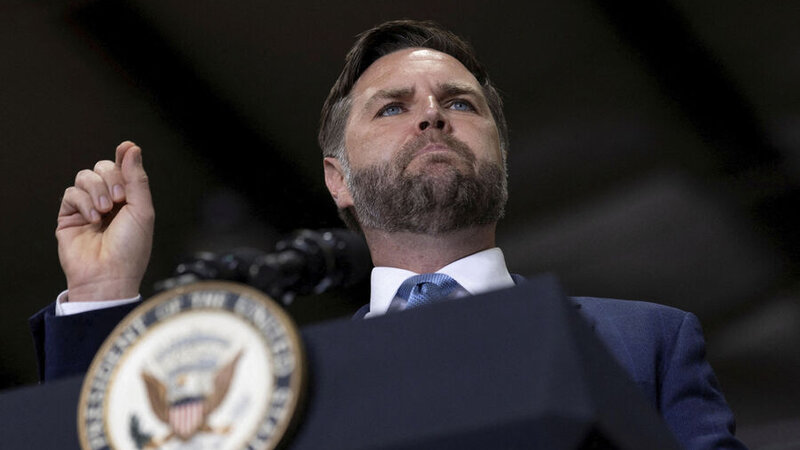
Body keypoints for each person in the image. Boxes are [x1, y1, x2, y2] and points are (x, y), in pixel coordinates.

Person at [30, 20, 746, 449]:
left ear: (500, 158)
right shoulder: (265, 385)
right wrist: (100, 293)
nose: (432, 115)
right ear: (337, 180)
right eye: (392, 108)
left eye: (459, 103)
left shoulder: (646, 343)